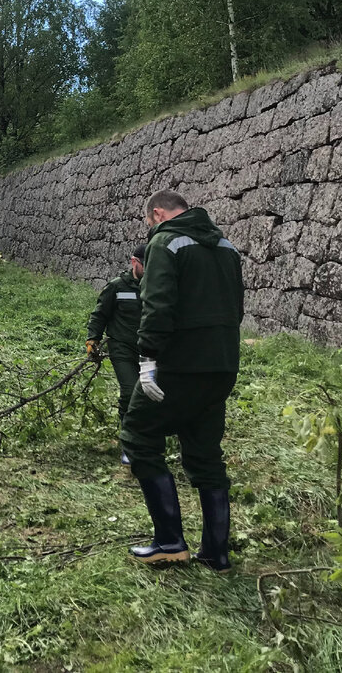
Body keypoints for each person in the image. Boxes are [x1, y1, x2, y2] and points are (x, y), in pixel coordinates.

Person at [120, 189, 243, 571]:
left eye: (149, 222)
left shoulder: (166, 242)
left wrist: (147, 359)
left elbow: (157, 303)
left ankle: (170, 541)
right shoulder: (226, 246)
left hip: (178, 365)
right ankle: (216, 552)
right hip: (222, 365)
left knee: (138, 437)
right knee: (205, 453)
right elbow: (236, 306)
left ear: (157, 214)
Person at [86, 244, 147, 465]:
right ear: (134, 262)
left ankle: (146, 440)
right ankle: (129, 446)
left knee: (149, 394)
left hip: (149, 350)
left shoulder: (157, 287)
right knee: (131, 392)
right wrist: (93, 338)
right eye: (145, 265)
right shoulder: (117, 286)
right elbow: (100, 314)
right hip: (121, 348)